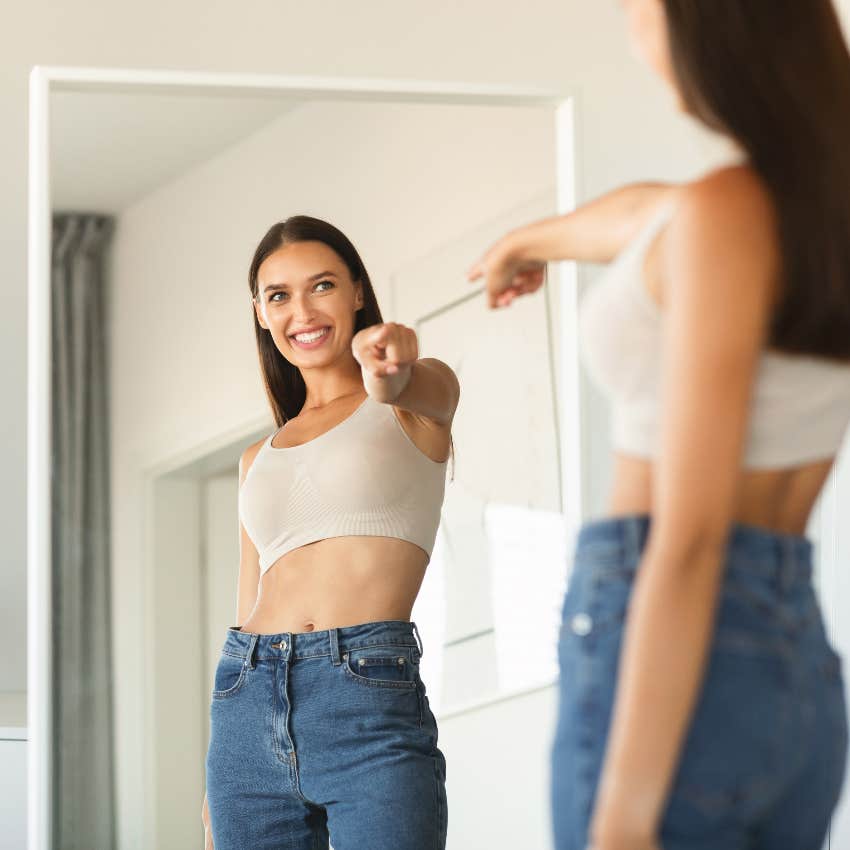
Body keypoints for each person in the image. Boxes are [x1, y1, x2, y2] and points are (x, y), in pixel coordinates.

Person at [468, 1, 850, 847]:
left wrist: (624, 816)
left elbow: (692, 540)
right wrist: (527, 241)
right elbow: (647, 215)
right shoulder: (807, 216)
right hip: (794, 661)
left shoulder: (728, 211)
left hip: (676, 630)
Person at [201, 215, 458, 850]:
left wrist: (390, 365)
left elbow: (408, 380)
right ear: (261, 313)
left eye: (322, 286)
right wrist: (214, 780)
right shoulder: (257, 458)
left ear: (357, 292)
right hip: (245, 697)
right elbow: (247, 599)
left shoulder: (411, 400)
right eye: (279, 295)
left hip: (366, 694)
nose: (302, 311)